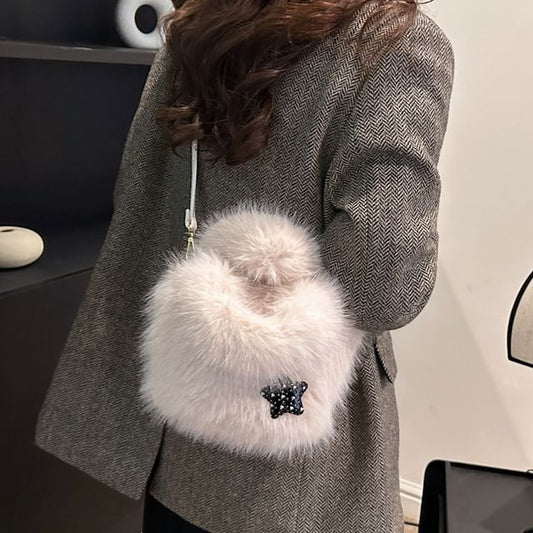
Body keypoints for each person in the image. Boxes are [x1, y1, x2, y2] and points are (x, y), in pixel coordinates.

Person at [35, 0, 455, 531]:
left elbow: (139, 196)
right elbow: (383, 288)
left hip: (179, 408)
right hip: (294, 450)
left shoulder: (197, 27)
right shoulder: (393, 42)